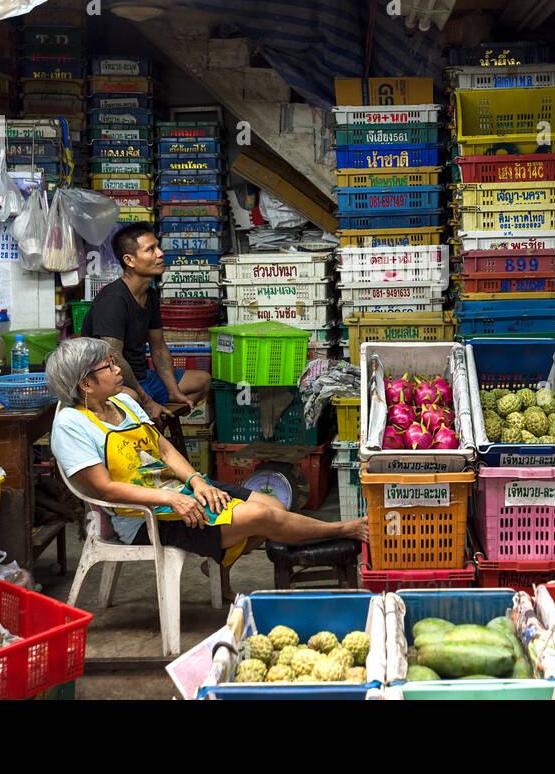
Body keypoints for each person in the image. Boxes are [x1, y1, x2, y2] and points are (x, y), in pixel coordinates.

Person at [46, 338, 368, 602]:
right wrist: (170, 499)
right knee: (263, 518)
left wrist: (196, 481)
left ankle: (219, 566)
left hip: (180, 492)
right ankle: (343, 529)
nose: (119, 370)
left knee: (275, 505)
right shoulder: (71, 426)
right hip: (144, 517)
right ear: (85, 383)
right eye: (109, 366)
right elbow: (104, 489)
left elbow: (164, 448)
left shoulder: (123, 402)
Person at [82, 222, 212, 423]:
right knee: (132, 399)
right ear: (129, 260)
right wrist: (145, 399)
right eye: (150, 249)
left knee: (201, 381)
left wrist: (173, 391)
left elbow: (158, 348)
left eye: (158, 247)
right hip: (111, 381)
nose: (160, 254)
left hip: (142, 376)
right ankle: (151, 430)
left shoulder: (149, 295)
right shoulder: (113, 299)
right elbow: (112, 355)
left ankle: (157, 427)